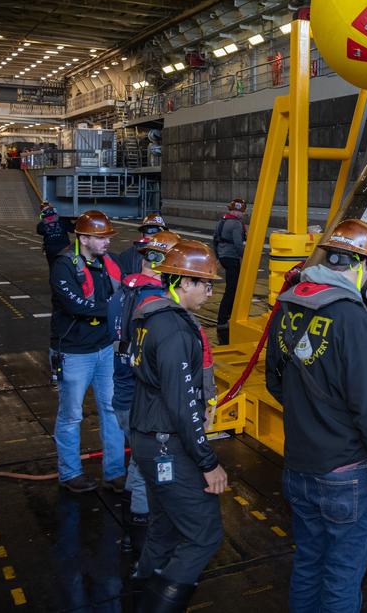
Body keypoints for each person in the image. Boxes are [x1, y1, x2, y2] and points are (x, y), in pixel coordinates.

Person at [265, 219, 367, 613]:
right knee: (343, 576)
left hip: (298, 466)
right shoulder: (352, 318)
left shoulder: (288, 303)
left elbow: (275, 381)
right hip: (344, 473)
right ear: (360, 265)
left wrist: (310, 416)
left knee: (308, 564)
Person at [129, 239, 228, 612]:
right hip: (167, 444)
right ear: (183, 283)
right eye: (205, 284)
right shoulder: (173, 330)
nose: (208, 292)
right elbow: (183, 405)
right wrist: (208, 462)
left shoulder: (147, 315)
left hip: (146, 438)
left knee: (164, 529)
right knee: (204, 535)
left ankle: (142, 597)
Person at [50, 210, 127, 494]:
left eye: (108, 236)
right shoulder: (64, 265)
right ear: (82, 238)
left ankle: (115, 472)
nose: (106, 242)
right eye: (100, 237)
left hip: (105, 349)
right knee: (71, 415)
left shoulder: (110, 264)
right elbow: (76, 306)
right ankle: (70, 473)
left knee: (112, 409)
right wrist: (114, 309)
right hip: (73, 352)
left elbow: (121, 294)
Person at [115, 230, 183, 534]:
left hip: (121, 391)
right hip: (142, 400)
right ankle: (141, 523)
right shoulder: (155, 303)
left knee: (136, 458)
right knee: (149, 465)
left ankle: (130, 499)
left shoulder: (123, 292)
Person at [212, 198, 248, 345]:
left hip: (223, 256)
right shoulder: (236, 224)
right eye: (238, 211)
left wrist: (219, 257)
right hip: (232, 257)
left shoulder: (222, 221)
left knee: (231, 287)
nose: (239, 214)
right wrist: (245, 258)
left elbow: (215, 240)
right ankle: (224, 318)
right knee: (232, 289)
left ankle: (226, 316)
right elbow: (239, 244)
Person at [118, 212, 169, 277]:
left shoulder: (125, 255)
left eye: (156, 231)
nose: (154, 234)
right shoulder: (171, 254)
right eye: (150, 230)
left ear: (142, 234)